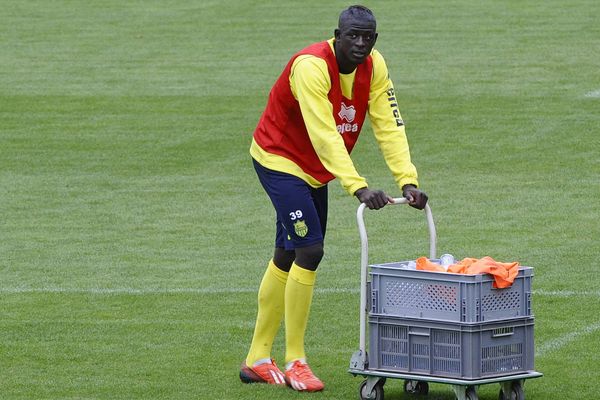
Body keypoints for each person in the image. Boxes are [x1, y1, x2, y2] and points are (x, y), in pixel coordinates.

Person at [240, 5, 428, 392]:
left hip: (314, 167)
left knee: (289, 252)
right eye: (353, 36)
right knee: (310, 250)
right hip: (279, 157)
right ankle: (296, 362)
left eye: (368, 37)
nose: (360, 44)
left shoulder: (375, 67)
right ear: (337, 35)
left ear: (375, 39)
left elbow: (389, 124)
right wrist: (357, 186)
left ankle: (257, 359)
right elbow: (325, 133)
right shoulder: (311, 67)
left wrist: (407, 180)